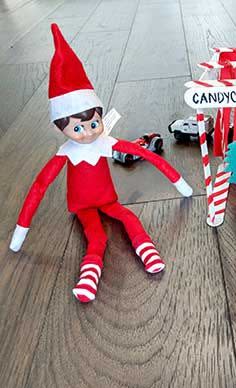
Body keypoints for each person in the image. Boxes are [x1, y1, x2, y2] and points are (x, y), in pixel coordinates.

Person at [9, 24, 193, 303]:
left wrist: (181, 184)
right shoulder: (65, 153)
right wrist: (20, 234)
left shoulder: (105, 142)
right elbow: (39, 187)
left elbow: (148, 154)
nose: (91, 132)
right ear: (60, 128)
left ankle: (147, 248)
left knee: (129, 217)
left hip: (108, 199)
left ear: (100, 116)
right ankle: (88, 274)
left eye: (94, 123)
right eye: (78, 128)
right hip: (82, 205)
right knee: (96, 238)